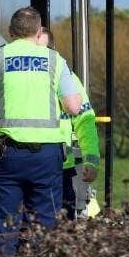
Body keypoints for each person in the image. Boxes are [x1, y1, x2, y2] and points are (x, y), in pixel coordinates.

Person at [0, 7, 84, 255]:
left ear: (10, 32)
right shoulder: (55, 60)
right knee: (42, 227)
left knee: (3, 228)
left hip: (4, 156)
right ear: (38, 32)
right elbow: (74, 106)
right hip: (46, 157)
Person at [36, 27, 99, 218]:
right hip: (31, 165)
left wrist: (91, 160)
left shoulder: (69, 80)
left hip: (60, 169)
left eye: (43, 50)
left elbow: (85, 122)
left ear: (53, 52)